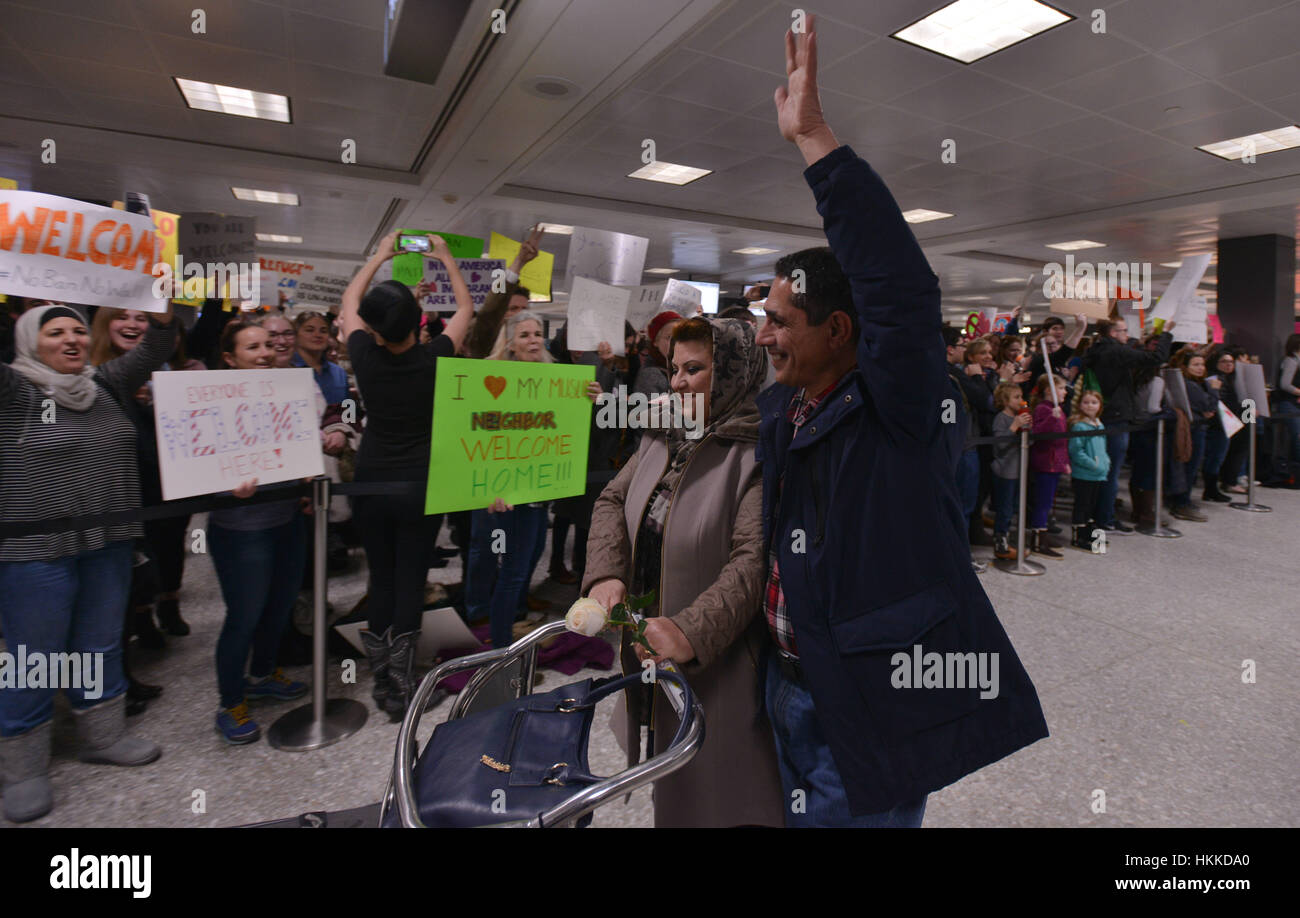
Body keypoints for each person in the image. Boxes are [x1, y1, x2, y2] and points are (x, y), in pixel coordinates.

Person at [751, 17, 1047, 827]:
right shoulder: (783, 406)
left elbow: (900, 290)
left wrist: (816, 143)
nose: (764, 334)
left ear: (839, 331)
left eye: (780, 319)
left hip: (869, 698)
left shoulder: (901, 412)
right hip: (784, 687)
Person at [584, 317, 783, 827]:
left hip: (717, 658)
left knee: (717, 786)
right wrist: (607, 573)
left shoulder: (757, 449)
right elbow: (612, 498)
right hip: (648, 644)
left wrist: (689, 630)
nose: (676, 383)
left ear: (735, 374)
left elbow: (752, 559)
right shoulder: (663, 431)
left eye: (694, 369)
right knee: (667, 771)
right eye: (674, 369)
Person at [0, 302, 176, 823]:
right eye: (55, 333)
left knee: (99, 642)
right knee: (36, 655)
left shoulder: (105, 383)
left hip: (109, 540)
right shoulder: (16, 392)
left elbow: (156, 347)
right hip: (34, 551)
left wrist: (164, 308)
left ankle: (103, 736)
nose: (72, 339)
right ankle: (23, 769)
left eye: (79, 330)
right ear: (31, 342)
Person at [340, 232, 478, 720]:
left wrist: (380, 254)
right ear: (419, 323)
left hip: (372, 481)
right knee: (410, 578)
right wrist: (444, 257)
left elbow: (349, 300)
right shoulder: (434, 358)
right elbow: (465, 309)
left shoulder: (363, 356)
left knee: (381, 577)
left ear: (373, 329)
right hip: (421, 484)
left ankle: (382, 681)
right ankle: (402, 682)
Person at [468, 312, 599, 650]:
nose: (532, 340)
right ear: (510, 341)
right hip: (504, 494)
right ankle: (500, 651)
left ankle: (508, 634)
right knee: (511, 572)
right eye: (524, 334)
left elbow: (561, 426)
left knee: (525, 565)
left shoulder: (555, 379)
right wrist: (489, 487)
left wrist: (590, 396)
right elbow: (479, 434)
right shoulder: (491, 377)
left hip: (538, 491)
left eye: (537, 333)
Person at [207, 321, 310, 745]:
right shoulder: (208, 402)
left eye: (269, 344)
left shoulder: (287, 391)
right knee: (244, 616)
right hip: (241, 530)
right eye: (253, 347)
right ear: (230, 358)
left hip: (288, 519)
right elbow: (193, 462)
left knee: (280, 607)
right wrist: (223, 483)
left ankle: (264, 674)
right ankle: (230, 700)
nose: (266, 352)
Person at [1080, 317, 1174, 533]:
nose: (1127, 335)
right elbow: (1157, 357)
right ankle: (1106, 517)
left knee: (1099, 469)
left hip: (1100, 414)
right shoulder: (1116, 352)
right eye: (1124, 331)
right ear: (1113, 333)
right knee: (1111, 472)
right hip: (1116, 417)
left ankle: (1096, 514)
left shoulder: (1095, 350)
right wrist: (1167, 333)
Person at [1166, 351, 1218, 520]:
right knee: (1189, 467)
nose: (1200, 368)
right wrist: (1214, 389)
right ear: (1185, 367)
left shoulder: (1194, 383)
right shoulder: (1190, 385)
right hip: (1193, 429)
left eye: (1202, 365)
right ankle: (1182, 503)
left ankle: (1182, 500)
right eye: (1195, 365)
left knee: (1190, 468)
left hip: (1195, 427)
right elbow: (1209, 405)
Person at [1027, 374, 1070, 559]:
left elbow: (1062, 440)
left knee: (1049, 502)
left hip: (1056, 463)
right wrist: (1051, 420)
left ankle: (1043, 532)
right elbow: (1037, 433)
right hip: (1045, 462)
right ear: (1049, 391)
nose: (1065, 392)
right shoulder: (1043, 409)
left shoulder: (1057, 409)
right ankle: (1037, 539)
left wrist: (1065, 461)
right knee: (1042, 503)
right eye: (1061, 388)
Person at [1067, 389, 1111, 550]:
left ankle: (1088, 533)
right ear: (1079, 405)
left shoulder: (1099, 423)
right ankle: (1078, 535)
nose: (1090, 406)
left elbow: (1102, 447)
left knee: (1092, 505)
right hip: (1084, 473)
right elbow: (1076, 451)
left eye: (1094, 402)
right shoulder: (1079, 426)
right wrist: (1092, 464)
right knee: (1082, 504)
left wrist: (1104, 463)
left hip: (1098, 474)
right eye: (1086, 402)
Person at [991, 382, 1029, 561]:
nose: (1021, 401)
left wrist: (1028, 428)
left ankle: (1009, 537)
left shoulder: (1020, 416)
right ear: (1005, 401)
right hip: (1005, 471)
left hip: (1018, 470)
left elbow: (1030, 443)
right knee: (1004, 509)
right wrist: (1014, 427)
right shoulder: (1001, 419)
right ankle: (1000, 542)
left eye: (1021, 396)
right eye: (1016, 397)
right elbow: (1000, 445)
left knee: (1014, 507)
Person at [291, 311, 351, 404]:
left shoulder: (339, 373)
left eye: (323, 331)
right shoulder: (287, 369)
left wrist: (351, 418)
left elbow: (349, 409)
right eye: (309, 330)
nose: (317, 335)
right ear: (296, 335)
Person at [1271, 333, 1300, 482]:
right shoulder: (1291, 361)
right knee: (1296, 437)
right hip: (1288, 404)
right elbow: (1285, 384)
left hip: (1293, 404)